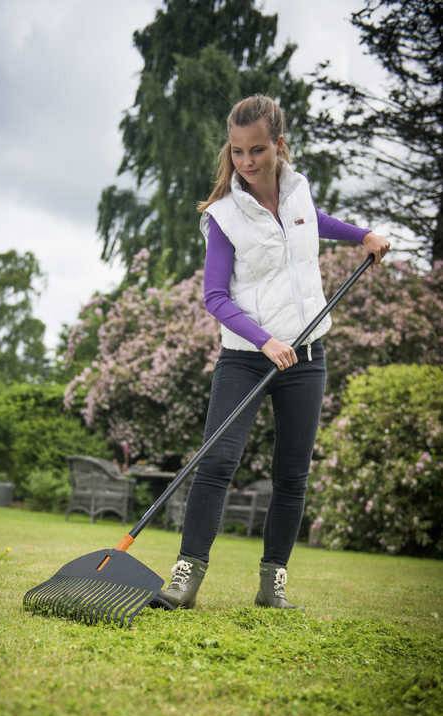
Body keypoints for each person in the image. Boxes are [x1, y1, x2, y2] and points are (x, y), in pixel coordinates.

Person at [160, 94, 390, 610]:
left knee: (292, 472)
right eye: (238, 151)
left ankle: (272, 582)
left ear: (279, 145)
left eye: (258, 150)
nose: (247, 161)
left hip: (307, 357)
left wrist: (365, 236)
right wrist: (265, 340)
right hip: (245, 356)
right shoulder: (223, 216)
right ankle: (186, 575)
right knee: (217, 461)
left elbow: (317, 222)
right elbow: (214, 296)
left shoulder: (298, 196)